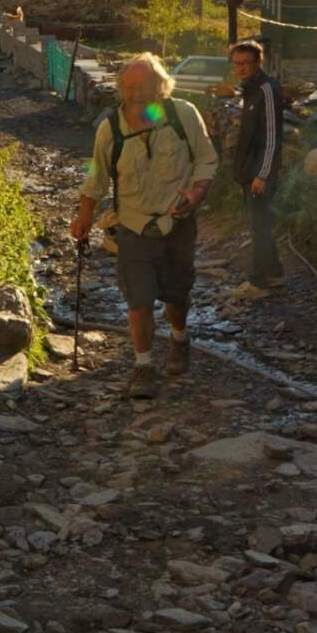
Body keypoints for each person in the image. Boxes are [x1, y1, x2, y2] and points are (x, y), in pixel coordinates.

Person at [70, 53, 218, 399]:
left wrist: (196, 192)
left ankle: (179, 338)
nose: (138, 94)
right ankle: (143, 366)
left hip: (177, 223)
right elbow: (96, 175)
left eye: (146, 86)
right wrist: (84, 216)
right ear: (121, 87)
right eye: (131, 86)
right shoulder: (111, 129)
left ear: (161, 85)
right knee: (138, 299)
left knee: (176, 293)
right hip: (133, 226)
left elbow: (206, 160)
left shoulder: (180, 115)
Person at [226, 40, 285, 299]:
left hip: (259, 174)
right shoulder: (249, 90)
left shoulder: (267, 89)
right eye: (236, 63)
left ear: (258, 63)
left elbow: (273, 136)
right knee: (258, 225)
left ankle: (258, 284)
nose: (240, 68)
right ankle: (274, 274)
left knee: (259, 228)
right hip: (248, 171)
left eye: (246, 63)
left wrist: (263, 174)